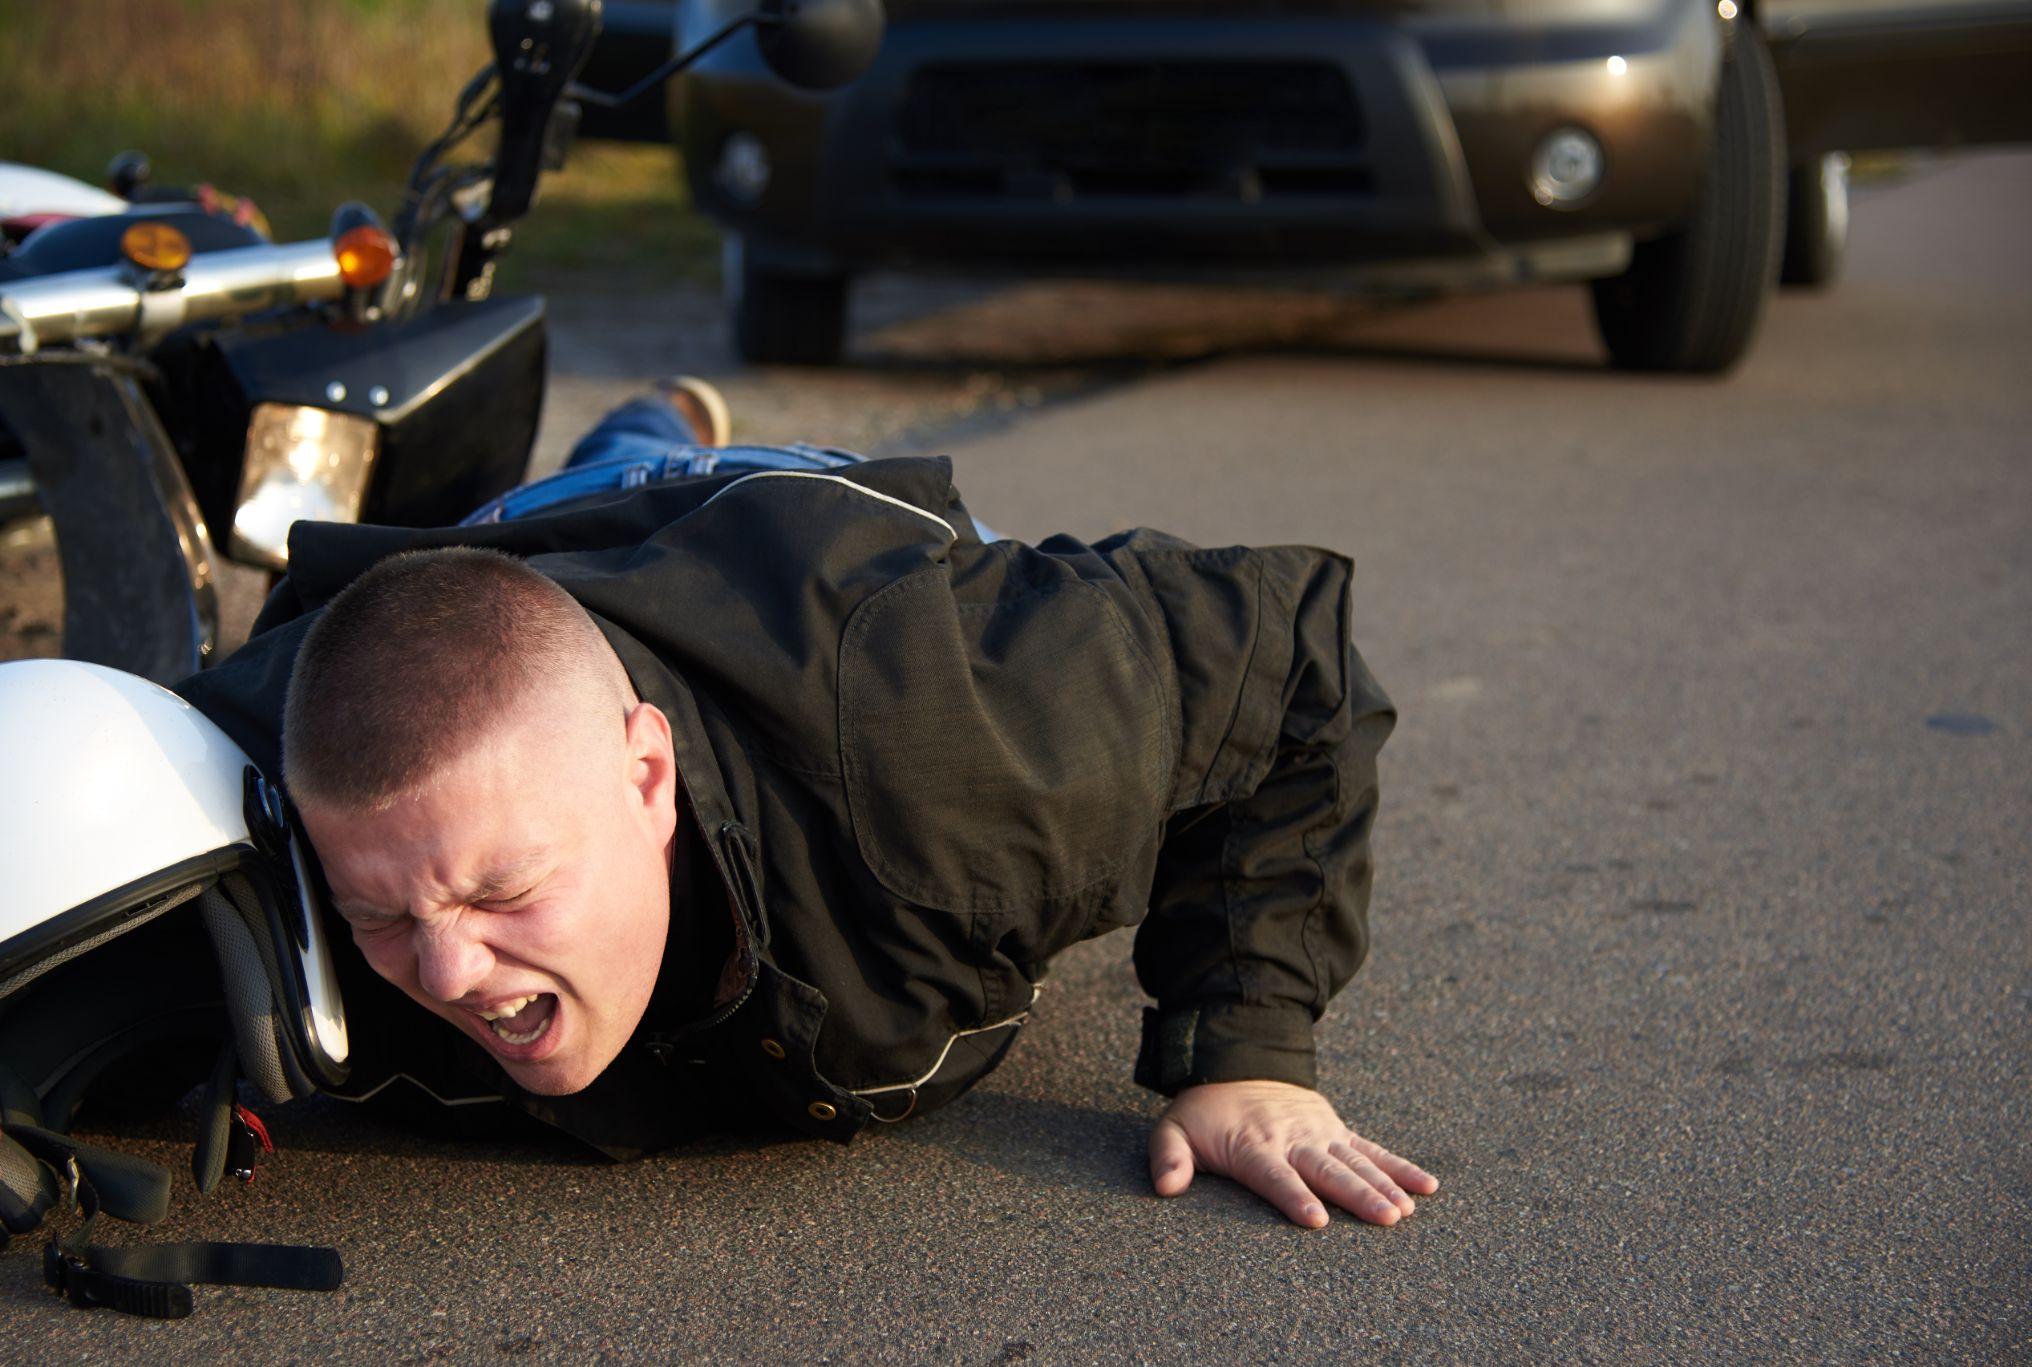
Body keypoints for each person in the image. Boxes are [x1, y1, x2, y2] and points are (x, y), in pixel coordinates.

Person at [175, 380, 1438, 1231]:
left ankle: (651, 428)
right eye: (379, 913)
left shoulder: (955, 748)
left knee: (657, 472)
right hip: (490, 550)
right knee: (576, 499)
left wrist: (1246, 1051)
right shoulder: (246, 819)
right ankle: (615, 443)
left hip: (772, 525)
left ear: (645, 775)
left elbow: (1285, 661)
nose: (443, 966)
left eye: (502, 888)